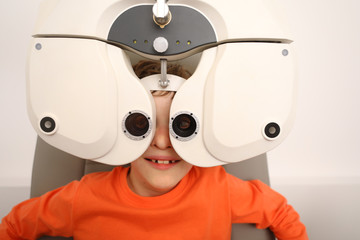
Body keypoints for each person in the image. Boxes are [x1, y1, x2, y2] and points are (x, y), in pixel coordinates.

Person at [0, 60, 308, 240]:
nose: (162, 141)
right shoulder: (84, 197)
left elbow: (280, 213)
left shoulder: (217, 187)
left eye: (182, 126)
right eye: (140, 124)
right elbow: (14, 225)